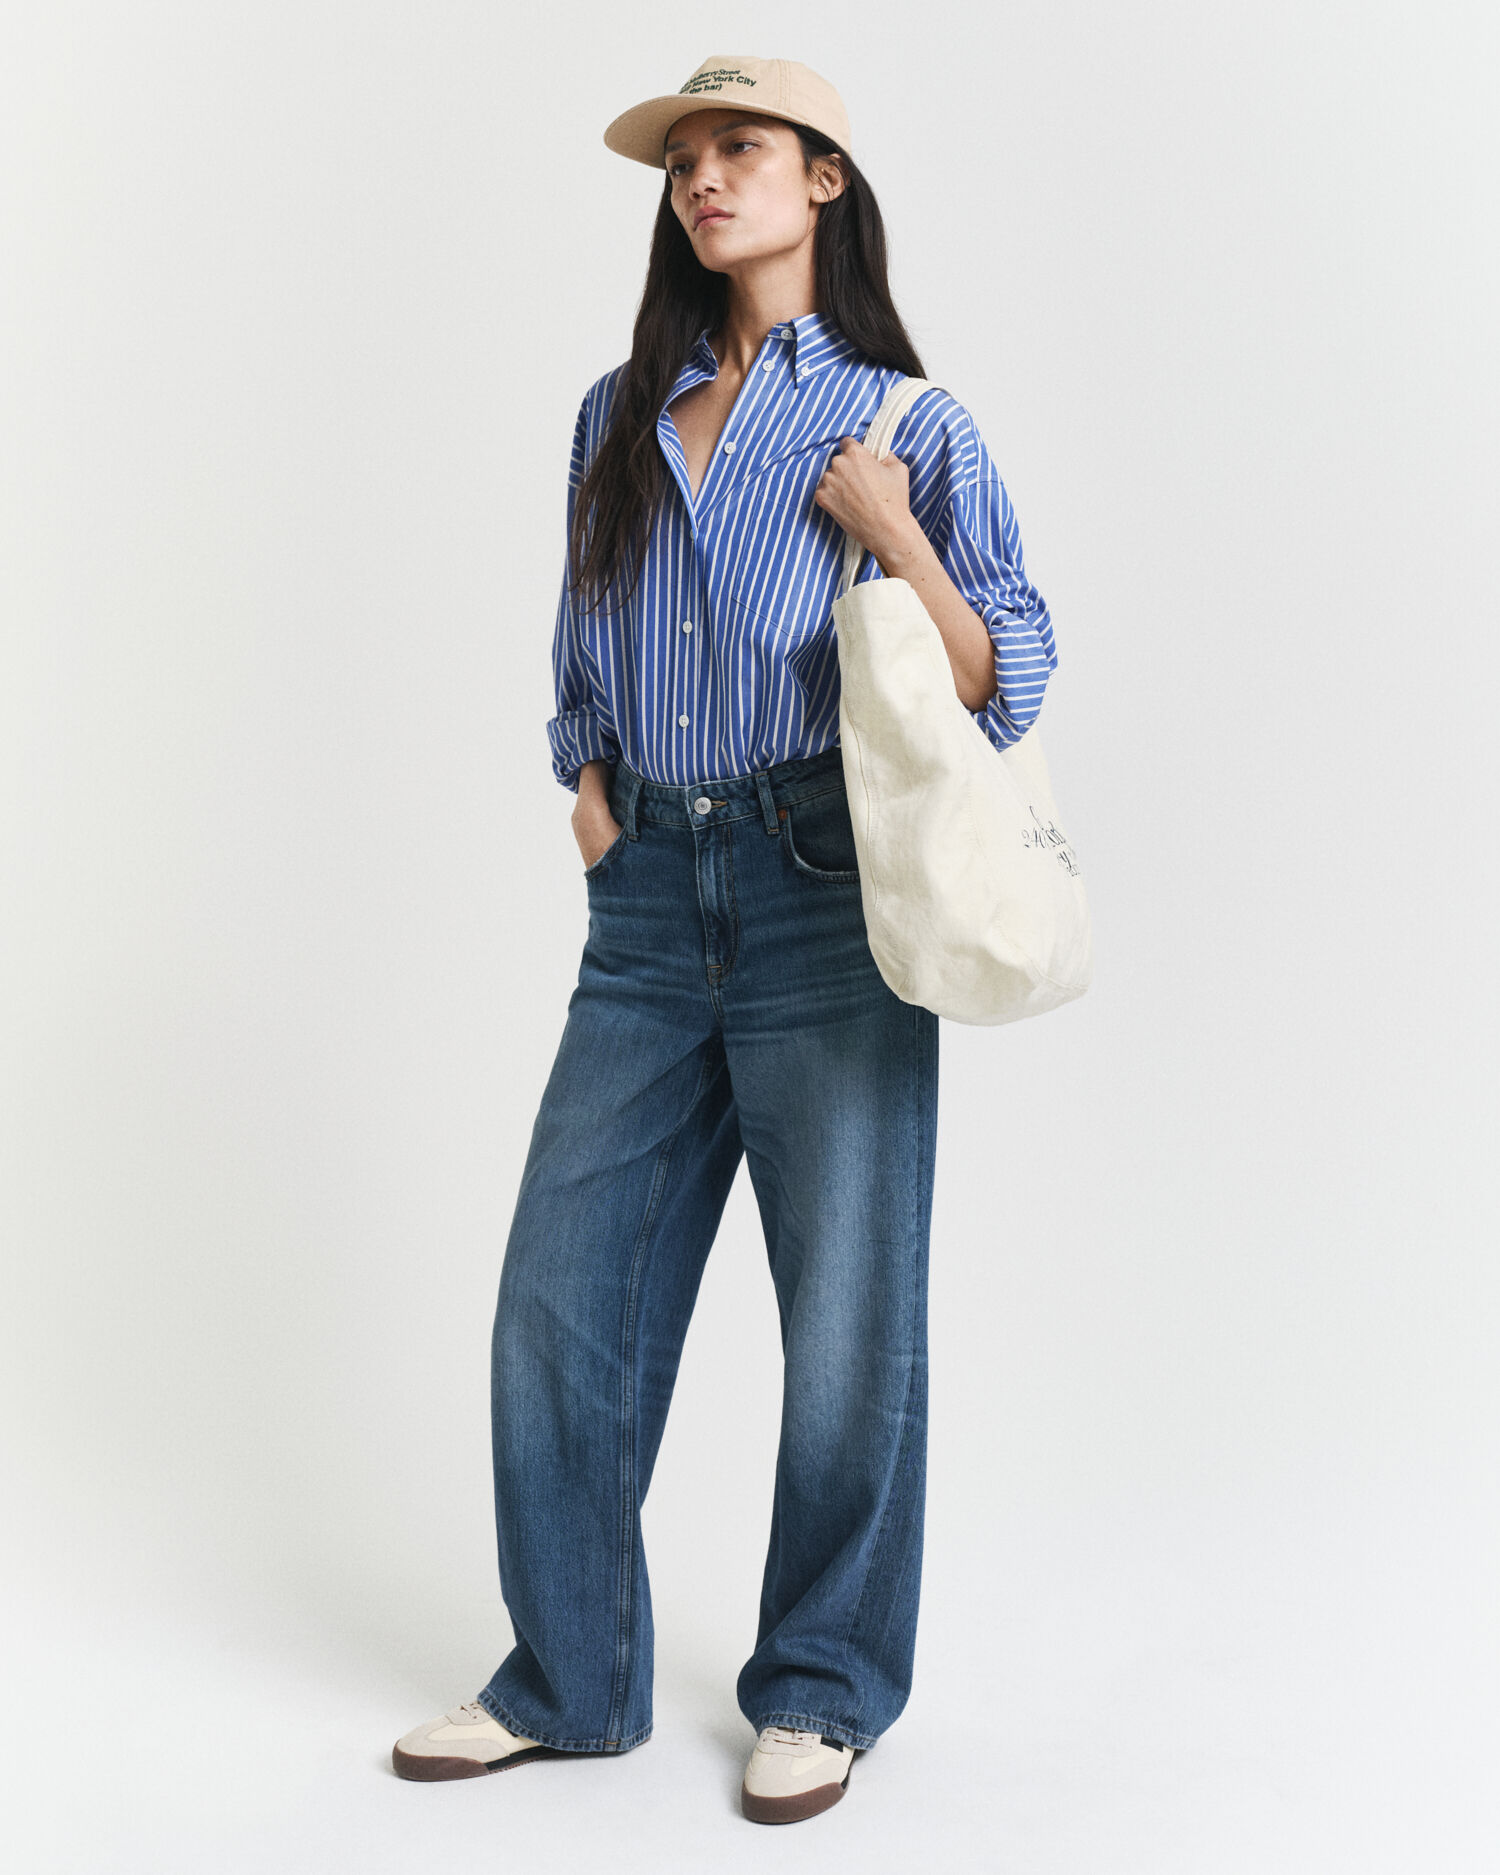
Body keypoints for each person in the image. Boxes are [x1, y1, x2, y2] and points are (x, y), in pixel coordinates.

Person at [392, 53, 1057, 1825]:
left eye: (738, 148)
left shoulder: (907, 423)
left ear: (824, 175)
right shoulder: (619, 411)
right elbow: (580, 636)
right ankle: (570, 1679)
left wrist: (892, 533)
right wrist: (589, 796)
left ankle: (824, 1686)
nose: (702, 179)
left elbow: (1005, 679)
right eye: (684, 158)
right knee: (559, 1300)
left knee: (847, 1319)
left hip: (819, 883)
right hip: (644, 892)